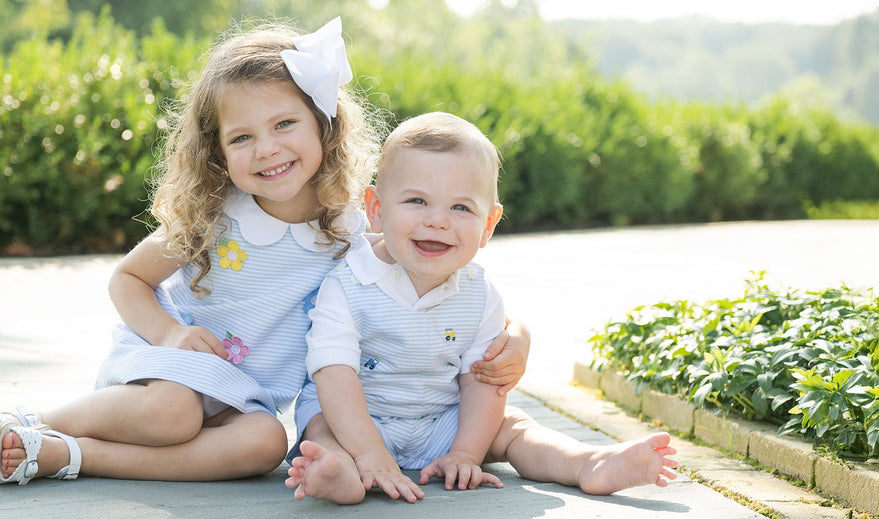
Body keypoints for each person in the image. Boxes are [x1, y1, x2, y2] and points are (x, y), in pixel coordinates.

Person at [0, 19, 530, 485]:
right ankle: (35, 420)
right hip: (167, 369)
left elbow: (432, 269)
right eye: (242, 137)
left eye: (284, 124)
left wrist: (515, 334)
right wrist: (171, 334)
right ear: (218, 152)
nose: (268, 148)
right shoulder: (214, 216)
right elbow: (127, 279)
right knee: (173, 412)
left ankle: (75, 456)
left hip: (246, 396)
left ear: (325, 124)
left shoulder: (348, 225)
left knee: (266, 446)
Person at [283, 112, 679, 505]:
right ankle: (340, 473)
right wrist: (369, 451)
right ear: (376, 208)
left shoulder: (479, 292)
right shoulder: (348, 284)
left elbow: (483, 379)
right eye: (417, 200)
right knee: (321, 429)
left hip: (442, 420)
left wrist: (467, 452)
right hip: (353, 419)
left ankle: (586, 463)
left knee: (513, 427)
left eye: (461, 208)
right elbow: (334, 376)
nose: (437, 220)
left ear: (488, 224)